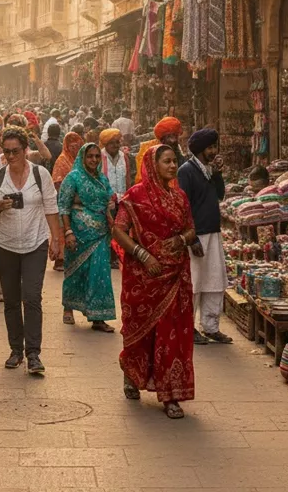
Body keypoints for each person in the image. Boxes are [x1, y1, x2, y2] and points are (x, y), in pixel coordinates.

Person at [112, 144, 197, 419]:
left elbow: (191, 229)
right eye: (167, 162)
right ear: (152, 164)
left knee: (173, 333)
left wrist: (181, 240)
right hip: (144, 276)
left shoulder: (180, 197)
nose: (173, 166)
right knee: (141, 331)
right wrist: (142, 255)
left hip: (175, 276)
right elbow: (119, 230)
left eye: (175, 161)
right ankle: (132, 374)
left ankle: (171, 394)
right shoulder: (135, 196)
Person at [0, 127, 63, 374]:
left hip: (35, 243)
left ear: (25, 149)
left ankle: (34, 354)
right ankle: (16, 350)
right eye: (6, 151)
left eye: (15, 151)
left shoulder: (40, 175)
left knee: (32, 298)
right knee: (10, 301)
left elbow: (51, 207)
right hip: (5, 245)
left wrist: (56, 240)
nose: (10, 156)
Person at [177, 128, 231, 345]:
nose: (213, 151)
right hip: (196, 235)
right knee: (195, 283)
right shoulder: (186, 171)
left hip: (213, 233)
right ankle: (188, 327)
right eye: (210, 148)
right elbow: (183, 206)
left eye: (214, 147)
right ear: (200, 150)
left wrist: (218, 174)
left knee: (214, 281)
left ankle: (211, 326)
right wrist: (191, 238)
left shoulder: (210, 170)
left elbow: (220, 194)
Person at [58, 144, 117, 332]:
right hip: (78, 235)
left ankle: (98, 317)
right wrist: (68, 232)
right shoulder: (73, 177)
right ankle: (68, 307)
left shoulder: (101, 178)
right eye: (90, 156)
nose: (93, 160)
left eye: (97, 157)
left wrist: (110, 203)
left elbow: (110, 199)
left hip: (100, 234)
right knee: (76, 272)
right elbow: (63, 207)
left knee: (99, 275)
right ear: (82, 158)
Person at [135, 117, 186, 184]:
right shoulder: (149, 151)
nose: (174, 140)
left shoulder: (177, 150)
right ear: (162, 139)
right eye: (169, 137)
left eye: (175, 136)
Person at [99, 129, 133, 201]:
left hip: (123, 199)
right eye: (111, 143)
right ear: (105, 144)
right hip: (106, 202)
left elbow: (128, 179)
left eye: (117, 142)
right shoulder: (98, 157)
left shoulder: (124, 156)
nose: (115, 145)